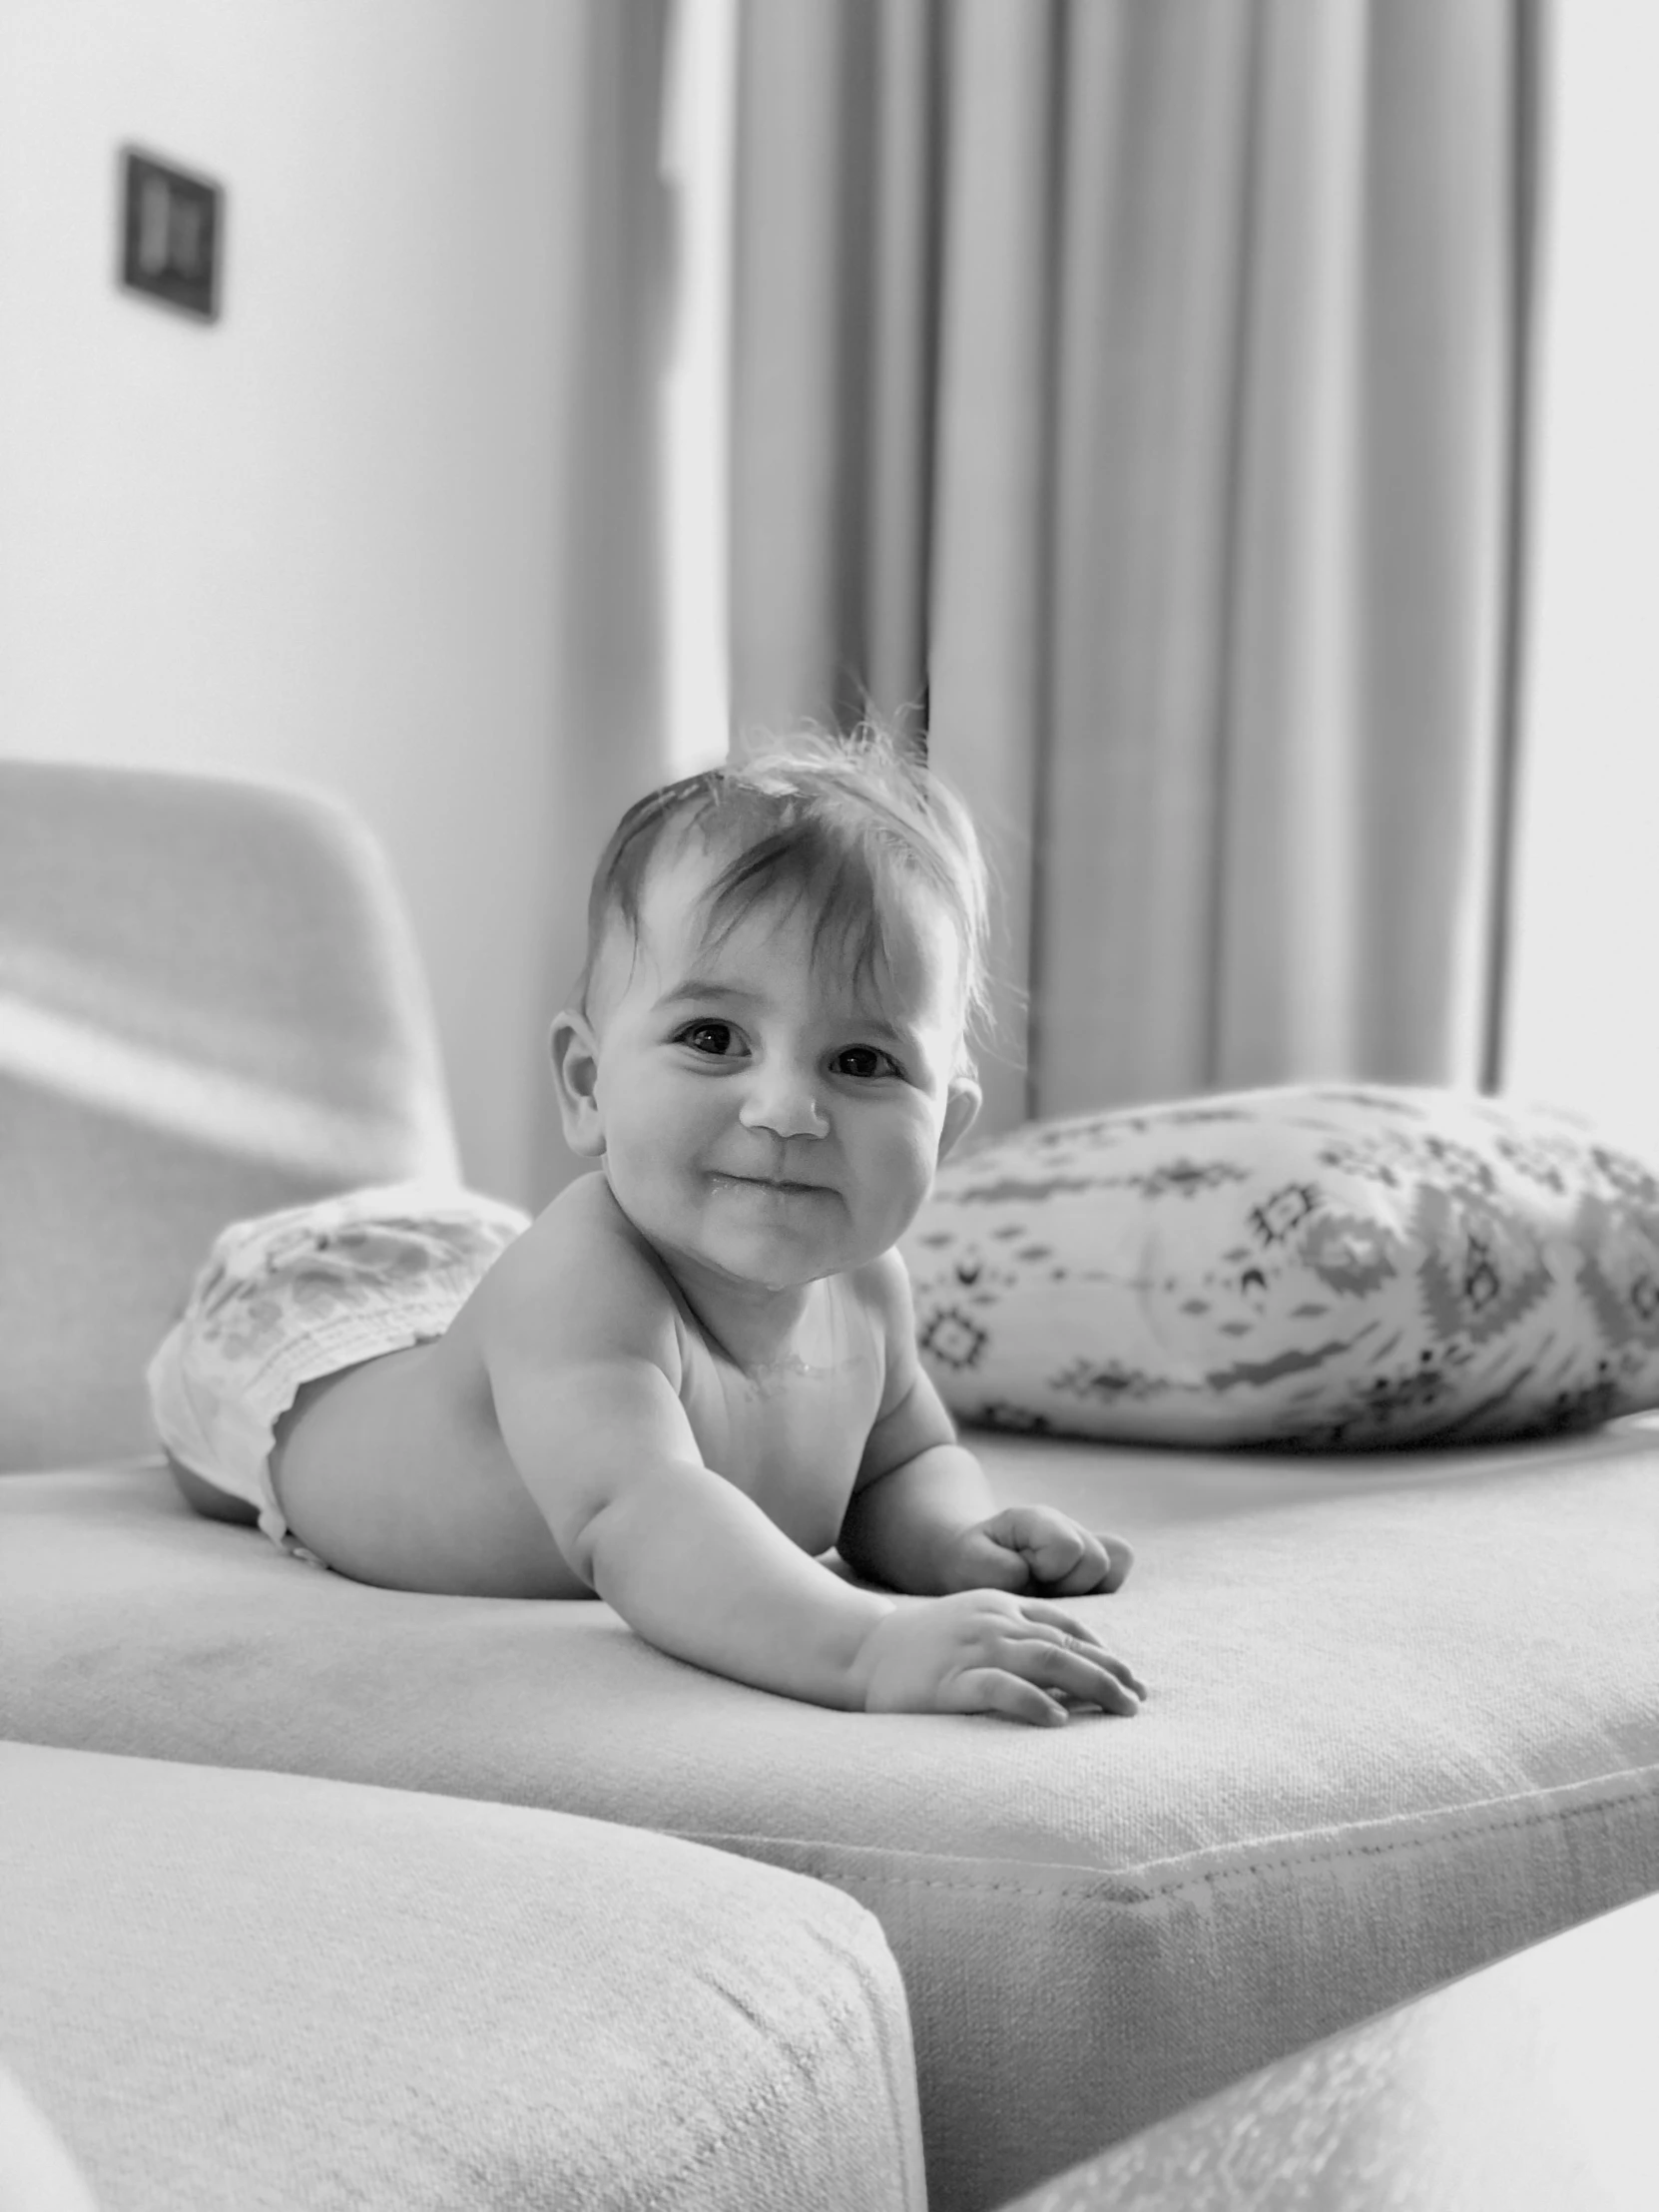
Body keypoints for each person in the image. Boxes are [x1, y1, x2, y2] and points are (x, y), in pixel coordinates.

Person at [150, 731, 1145, 1726]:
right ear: (588, 1085)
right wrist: (867, 1645)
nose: (787, 1108)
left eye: (862, 1061)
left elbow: (900, 1463)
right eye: (714, 1039)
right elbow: (640, 1514)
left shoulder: (870, 1287)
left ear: (948, 1125)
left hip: (462, 1286)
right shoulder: (585, 1279)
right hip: (302, 1332)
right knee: (238, 1471)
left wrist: (959, 1537)